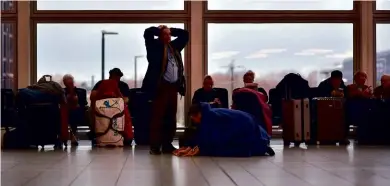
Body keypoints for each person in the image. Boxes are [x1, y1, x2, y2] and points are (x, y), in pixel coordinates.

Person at [142, 25, 188, 155]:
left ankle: (167, 144)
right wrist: (159, 29)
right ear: (160, 36)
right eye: (165, 34)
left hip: (173, 88)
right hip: (160, 87)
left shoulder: (174, 47)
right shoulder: (154, 47)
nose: (168, 36)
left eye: (169, 35)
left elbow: (185, 34)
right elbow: (147, 33)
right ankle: (155, 146)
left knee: (170, 118)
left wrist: (171, 30)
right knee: (158, 117)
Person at [174, 103, 275, 157]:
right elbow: (205, 135)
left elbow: (216, 140)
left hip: (249, 129)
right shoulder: (209, 114)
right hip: (250, 124)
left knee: (223, 149)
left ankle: (262, 146)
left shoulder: (210, 118)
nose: (194, 121)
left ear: (198, 114)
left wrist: (199, 149)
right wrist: (190, 146)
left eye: (193, 118)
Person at [63, 74, 88, 146]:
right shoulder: (62, 92)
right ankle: (73, 136)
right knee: (70, 112)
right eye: (68, 83)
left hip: (78, 111)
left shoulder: (81, 91)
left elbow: (84, 103)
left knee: (74, 111)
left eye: (71, 82)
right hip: (66, 111)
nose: (70, 84)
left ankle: (72, 135)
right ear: (64, 83)